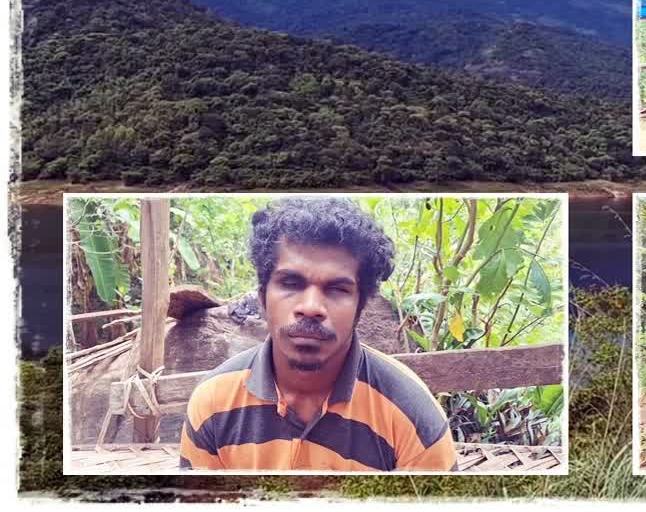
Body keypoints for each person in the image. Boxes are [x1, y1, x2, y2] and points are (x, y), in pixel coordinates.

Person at [180, 197, 456, 472]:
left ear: (360, 307)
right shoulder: (213, 402)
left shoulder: (410, 412)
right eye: (290, 283)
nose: (311, 308)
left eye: (337, 289)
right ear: (263, 297)